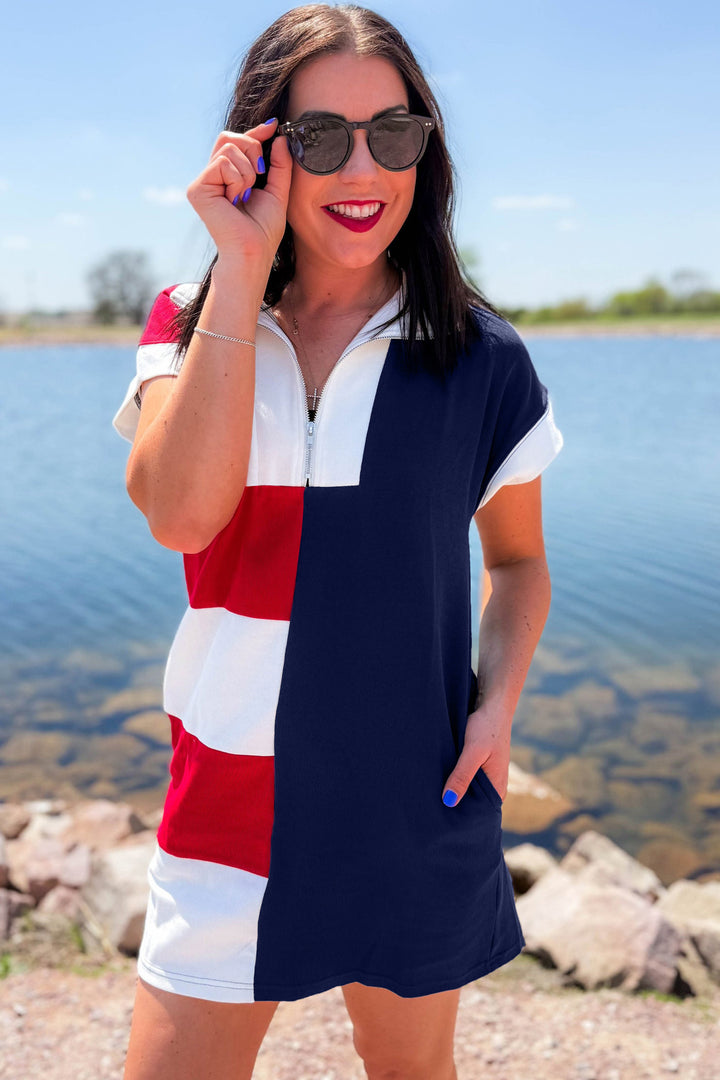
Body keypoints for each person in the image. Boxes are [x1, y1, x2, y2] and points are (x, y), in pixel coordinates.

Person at [112, 5, 564, 1078]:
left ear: (426, 147)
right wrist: (240, 263)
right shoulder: (190, 319)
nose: (363, 168)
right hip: (225, 808)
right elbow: (179, 515)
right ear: (263, 149)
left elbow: (517, 563)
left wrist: (496, 705)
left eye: (393, 133)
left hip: (412, 806)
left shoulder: (480, 358)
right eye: (319, 137)